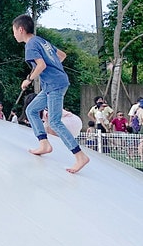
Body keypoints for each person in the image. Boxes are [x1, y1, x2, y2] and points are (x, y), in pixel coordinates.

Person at [12, 14, 89, 174]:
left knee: (54, 121)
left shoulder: (30, 45)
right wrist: (53, 68)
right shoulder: (41, 41)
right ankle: (44, 143)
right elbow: (61, 56)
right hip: (52, 84)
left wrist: (28, 80)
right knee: (31, 110)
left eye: (14, 31)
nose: (14, 35)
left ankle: (80, 156)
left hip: (54, 85)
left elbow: (40, 65)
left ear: (21, 29)